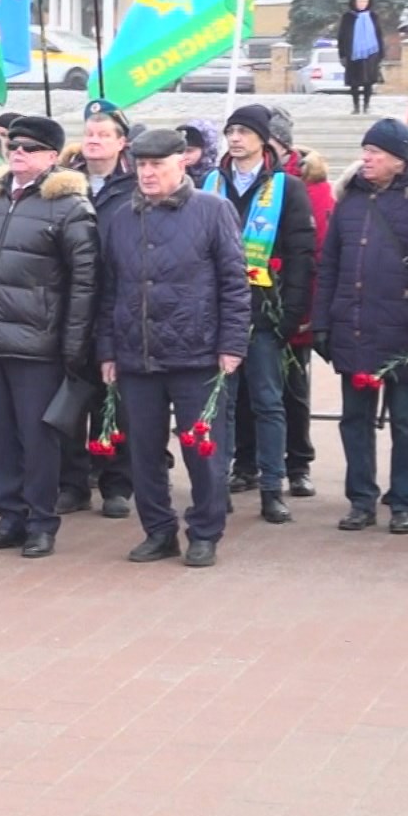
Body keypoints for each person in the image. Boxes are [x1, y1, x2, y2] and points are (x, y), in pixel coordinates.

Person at [96, 129, 249, 568]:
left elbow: (235, 284)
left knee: (202, 451)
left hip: (196, 354)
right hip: (136, 354)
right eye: (141, 165)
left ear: (181, 164)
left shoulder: (212, 211)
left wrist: (231, 344)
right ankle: (158, 531)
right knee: (143, 452)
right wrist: (107, 350)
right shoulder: (123, 218)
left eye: (157, 165)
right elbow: (110, 290)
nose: (147, 173)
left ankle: (204, 532)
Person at [0, 116, 97, 557]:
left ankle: (41, 521)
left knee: (38, 439)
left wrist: (74, 344)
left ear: (52, 157)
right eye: (13, 146)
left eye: (30, 148)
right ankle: (10, 517)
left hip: (40, 344)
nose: (18, 153)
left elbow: (85, 282)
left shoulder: (70, 207)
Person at [313, 120, 408, 534]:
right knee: (354, 421)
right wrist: (323, 320)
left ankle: (404, 502)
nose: (366, 159)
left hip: (406, 332)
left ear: (399, 160)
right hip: (354, 327)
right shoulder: (351, 200)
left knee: (407, 422)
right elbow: (330, 268)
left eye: (375, 152)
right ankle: (361, 500)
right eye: (365, 150)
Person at [204, 104, 315, 525]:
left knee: (269, 402)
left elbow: (303, 254)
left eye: (244, 132)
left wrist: (292, 314)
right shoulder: (210, 182)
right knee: (222, 402)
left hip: (264, 314)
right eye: (230, 130)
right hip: (216, 313)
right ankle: (220, 480)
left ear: (263, 140)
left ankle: (272, 487)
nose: (235, 138)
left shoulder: (287, 188)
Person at [57, 100, 138, 518]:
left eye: (104, 134)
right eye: (89, 132)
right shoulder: (64, 184)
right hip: (69, 305)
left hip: (118, 305)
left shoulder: (136, 187)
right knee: (71, 394)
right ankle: (72, 482)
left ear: (122, 143)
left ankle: (116, 482)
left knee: (115, 399)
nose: (94, 139)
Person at [286, 142, 333, 497]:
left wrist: (308, 311)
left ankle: (298, 463)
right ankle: (247, 461)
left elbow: (318, 256)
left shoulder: (314, 189)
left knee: (294, 392)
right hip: (255, 305)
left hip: (296, 309)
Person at [337, 0, 385, 115]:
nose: (362, 3)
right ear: (354, 1)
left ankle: (367, 105)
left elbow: (379, 35)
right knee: (354, 82)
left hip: (371, 53)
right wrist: (342, 54)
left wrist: (381, 53)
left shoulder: (373, 16)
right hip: (353, 53)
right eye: (360, 1)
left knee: (368, 81)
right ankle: (356, 106)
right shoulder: (348, 17)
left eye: (365, 1)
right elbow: (341, 36)